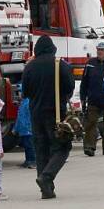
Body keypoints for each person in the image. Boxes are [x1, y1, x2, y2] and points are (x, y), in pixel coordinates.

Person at [22, 35, 75, 199]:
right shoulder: (61, 65)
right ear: (53, 49)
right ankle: (46, 177)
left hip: (36, 114)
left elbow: (26, 92)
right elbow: (69, 87)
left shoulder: (29, 67)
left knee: (41, 149)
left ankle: (46, 189)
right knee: (62, 147)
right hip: (56, 114)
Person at [80, 40, 104, 156]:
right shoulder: (90, 63)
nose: (100, 52)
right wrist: (82, 97)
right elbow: (84, 82)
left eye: (102, 50)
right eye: (98, 50)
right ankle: (89, 147)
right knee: (90, 123)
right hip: (93, 99)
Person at [13, 95, 36, 169]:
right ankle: (28, 160)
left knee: (30, 146)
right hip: (23, 129)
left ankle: (33, 161)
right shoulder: (23, 103)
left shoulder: (28, 102)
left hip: (28, 129)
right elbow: (19, 117)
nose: (19, 95)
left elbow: (31, 116)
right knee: (26, 146)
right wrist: (15, 128)